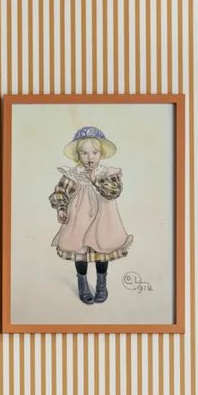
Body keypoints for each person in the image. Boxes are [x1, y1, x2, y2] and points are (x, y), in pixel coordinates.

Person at [49, 125, 132, 305]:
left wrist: (95, 180)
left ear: (101, 154)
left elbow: (113, 192)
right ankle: (83, 283)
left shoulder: (107, 173)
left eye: (94, 152)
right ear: (78, 155)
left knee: (102, 248)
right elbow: (61, 191)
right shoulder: (74, 174)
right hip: (78, 219)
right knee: (79, 249)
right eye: (84, 153)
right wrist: (61, 208)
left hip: (103, 219)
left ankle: (101, 284)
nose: (90, 157)